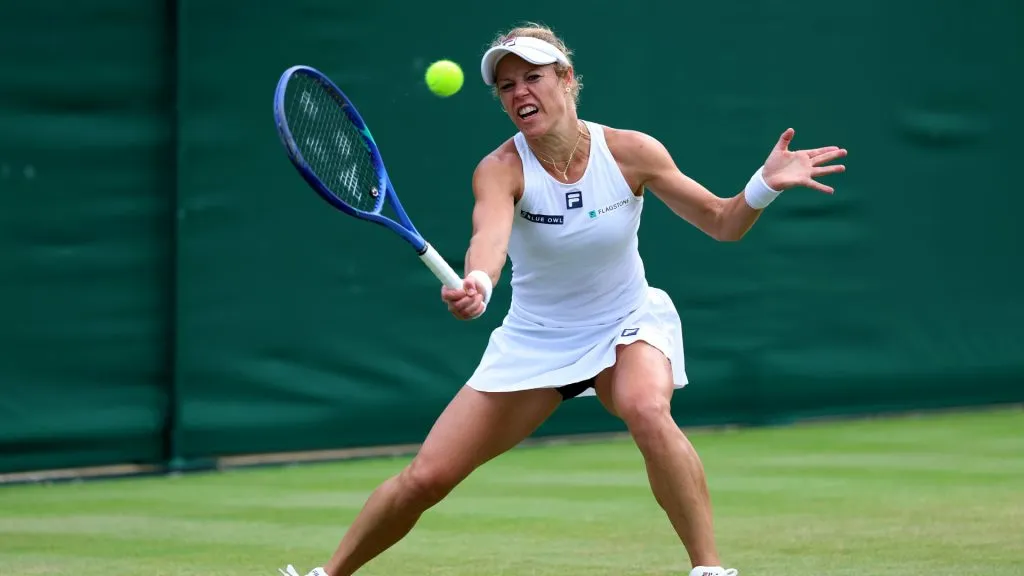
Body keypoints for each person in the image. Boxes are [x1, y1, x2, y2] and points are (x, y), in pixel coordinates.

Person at [279, 22, 846, 576]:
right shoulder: (500, 170)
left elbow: (723, 223)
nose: (520, 92)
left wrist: (765, 184)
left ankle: (710, 569)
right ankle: (328, 574)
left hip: (627, 322)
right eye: (506, 86)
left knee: (647, 409)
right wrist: (479, 282)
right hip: (538, 338)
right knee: (427, 478)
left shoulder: (631, 153)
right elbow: (489, 241)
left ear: (566, 78)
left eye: (533, 77)